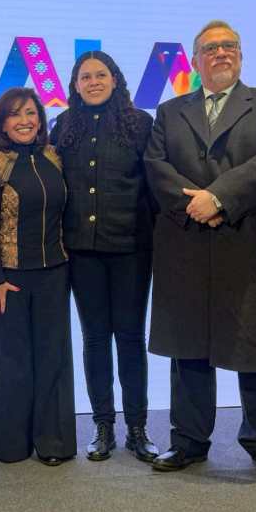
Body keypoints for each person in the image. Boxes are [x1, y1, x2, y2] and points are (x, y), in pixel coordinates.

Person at [144, 20, 256, 480]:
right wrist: (198, 203)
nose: (221, 54)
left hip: (250, 242)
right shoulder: (170, 111)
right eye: (210, 49)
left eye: (229, 46)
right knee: (188, 349)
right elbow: (156, 166)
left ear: (241, 55)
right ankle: (188, 442)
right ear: (195, 61)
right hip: (187, 243)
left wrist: (220, 198)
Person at [51, 51, 158, 463]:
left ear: (115, 79)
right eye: (84, 76)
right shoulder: (64, 126)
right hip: (81, 250)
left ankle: (137, 428)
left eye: (100, 74)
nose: (93, 81)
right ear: (75, 85)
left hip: (132, 248)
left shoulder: (140, 124)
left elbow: (153, 186)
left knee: (130, 337)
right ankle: (103, 427)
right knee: (95, 339)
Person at [0, 87, 76, 465]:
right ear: (2, 122)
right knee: (14, 362)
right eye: (15, 114)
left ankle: (54, 444)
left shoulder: (55, 157)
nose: (25, 121)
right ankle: (12, 445)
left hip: (54, 273)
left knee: (53, 360)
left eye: (31, 113)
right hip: (10, 280)